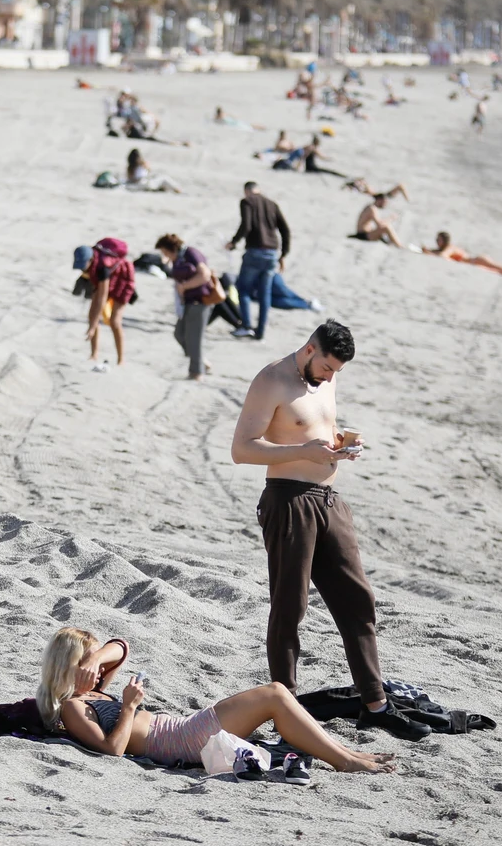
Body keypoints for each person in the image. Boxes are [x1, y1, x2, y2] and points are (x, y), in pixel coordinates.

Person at [230, 322, 429, 741]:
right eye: (325, 366)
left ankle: (375, 703)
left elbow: (314, 431)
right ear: (308, 349)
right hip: (288, 500)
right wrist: (304, 451)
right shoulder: (272, 380)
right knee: (290, 607)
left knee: (358, 598)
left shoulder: (325, 379)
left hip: (329, 500)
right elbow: (242, 448)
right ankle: (286, 709)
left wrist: (340, 446)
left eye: (337, 370)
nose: (330, 376)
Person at [36, 627, 396, 774]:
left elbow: (121, 646)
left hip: (182, 728)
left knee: (276, 695)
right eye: (84, 665)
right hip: (180, 740)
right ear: (66, 667)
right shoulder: (72, 705)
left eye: (93, 665)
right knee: (274, 694)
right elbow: (111, 750)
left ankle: (348, 756)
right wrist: (129, 706)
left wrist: (95, 658)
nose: (96, 673)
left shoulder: (94, 687)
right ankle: (345, 761)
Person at [226, 182, 289, 341]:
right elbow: (285, 230)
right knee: (264, 293)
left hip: (255, 251)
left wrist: (233, 242)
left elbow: (246, 225)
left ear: (246, 191)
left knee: (243, 289)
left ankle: (247, 326)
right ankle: (260, 331)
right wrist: (283, 255)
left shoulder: (247, 201)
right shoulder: (272, 204)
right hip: (272, 252)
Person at [156, 234, 216, 380]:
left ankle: (196, 372)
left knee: (194, 338)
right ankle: (200, 361)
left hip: (200, 301)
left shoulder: (191, 253)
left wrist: (185, 286)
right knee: (179, 333)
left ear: (171, 248)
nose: (164, 255)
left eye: (164, 251)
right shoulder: (178, 258)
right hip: (187, 303)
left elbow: (205, 274)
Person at [83, 237, 135, 369]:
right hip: (109, 280)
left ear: (90, 260)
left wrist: (93, 327)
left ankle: (121, 360)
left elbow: (102, 298)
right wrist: (92, 323)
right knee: (91, 315)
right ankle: (94, 355)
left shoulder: (103, 268)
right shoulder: (93, 263)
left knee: (114, 321)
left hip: (123, 282)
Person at [420, 231, 502, 278]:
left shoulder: (449, 248)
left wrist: (430, 254)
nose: (436, 241)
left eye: (438, 239)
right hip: (475, 261)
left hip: (476, 262)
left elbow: (444, 257)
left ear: (444, 240)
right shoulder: (447, 248)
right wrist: (430, 252)